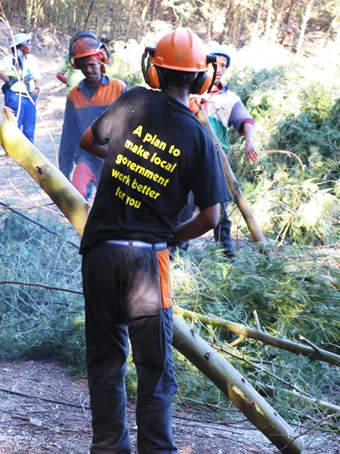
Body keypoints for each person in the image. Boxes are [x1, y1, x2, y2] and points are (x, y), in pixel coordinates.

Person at [78, 28, 231, 453]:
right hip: (148, 260)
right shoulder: (200, 136)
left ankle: (109, 448)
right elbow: (211, 217)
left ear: (154, 69)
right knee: (155, 371)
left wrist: (131, 161)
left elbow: (89, 141)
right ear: (201, 79)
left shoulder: (132, 101)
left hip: (100, 253)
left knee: (105, 364)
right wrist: (172, 237)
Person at [188, 48, 259, 257]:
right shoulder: (191, 91)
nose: (218, 70)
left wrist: (250, 142)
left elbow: (245, 120)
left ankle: (226, 257)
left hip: (216, 161)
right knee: (184, 206)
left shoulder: (229, 98)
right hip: (189, 158)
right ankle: (174, 253)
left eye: (223, 66)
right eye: (215, 64)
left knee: (220, 209)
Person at [58, 33, 126, 199]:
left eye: (92, 64)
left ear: (101, 61)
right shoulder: (74, 95)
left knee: (115, 204)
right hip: (86, 156)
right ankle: (81, 225)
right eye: (84, 66)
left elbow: (132, 127)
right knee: (77, 195)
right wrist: (63, 173)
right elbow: (69, 134)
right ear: (77, 66)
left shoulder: (118, 88)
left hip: (113, 157)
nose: (88, 70)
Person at [0, 32, 42, 143]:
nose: (30, 46)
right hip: (15, 96)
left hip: (30, 98)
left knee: (29, 126)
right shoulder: (10, 60)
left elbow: (37, 77)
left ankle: (29, 150)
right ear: (22, 46)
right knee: (15, 124)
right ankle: (15, 149)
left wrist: (36, 89)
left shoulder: (30, 60)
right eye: (29, 44)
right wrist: (8, 80)